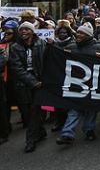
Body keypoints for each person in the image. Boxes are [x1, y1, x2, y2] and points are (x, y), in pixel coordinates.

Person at [56, 23, 100, 146]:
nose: (78, 34)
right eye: (77, 32)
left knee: (90, 109)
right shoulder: (71, 46)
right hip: (76, 83)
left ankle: (89, 130)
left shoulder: (99, 47)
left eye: (82, 33)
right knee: (74, 109)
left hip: (92, 84)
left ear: (88, 35)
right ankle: (67, 134)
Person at [9, 22, 47, 153]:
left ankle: (30, 140)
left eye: (27, 29)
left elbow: (48, 60)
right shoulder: (15, 47)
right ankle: (41, 132)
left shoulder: (41, 43)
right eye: (21, 30)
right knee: (27, 113)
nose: (24, 31)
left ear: (32, 31)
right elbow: (16, 68)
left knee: (36, 111)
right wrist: (33, 82)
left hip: (40, 82)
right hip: (23, 84)